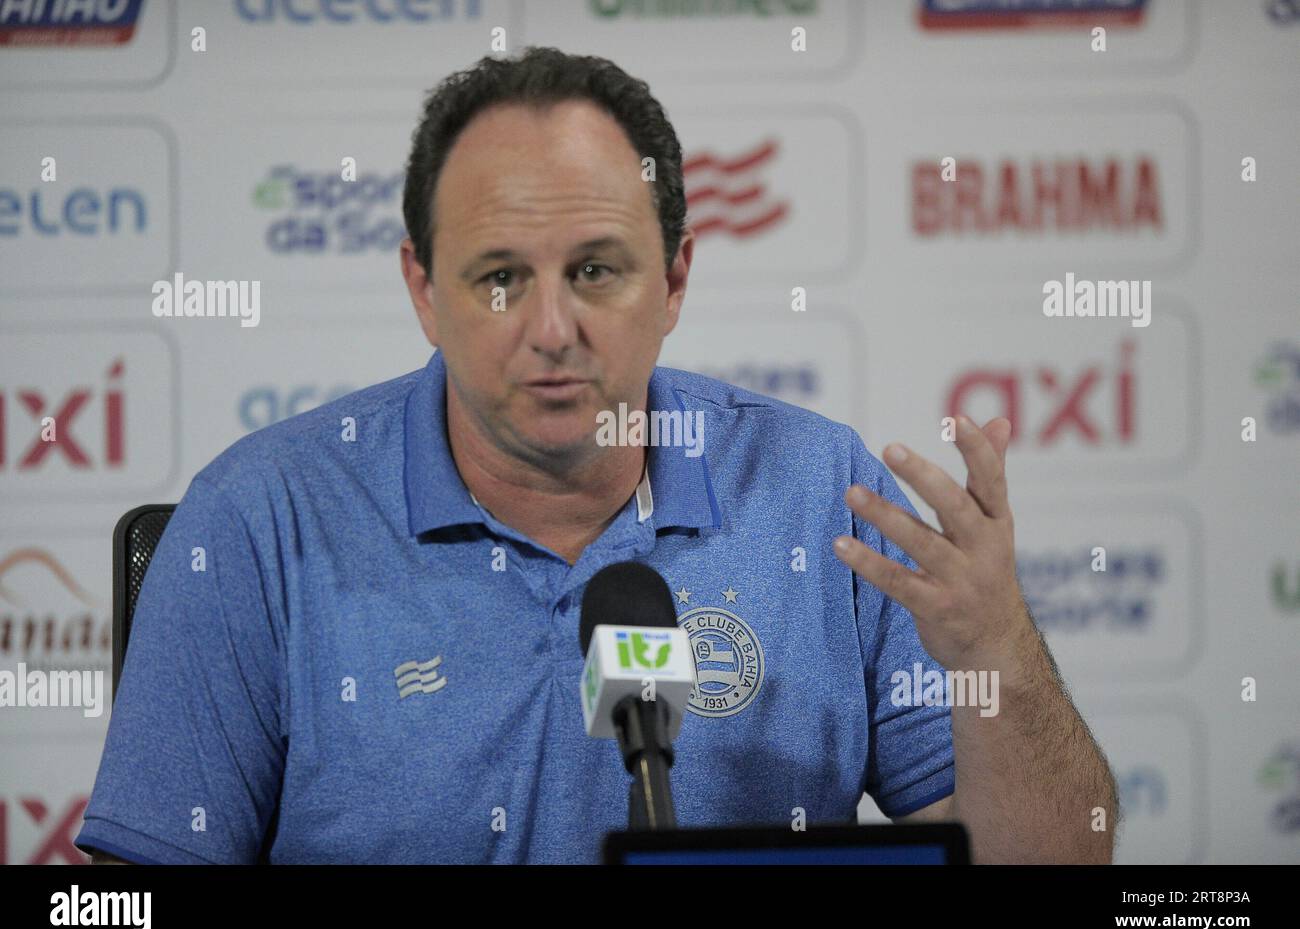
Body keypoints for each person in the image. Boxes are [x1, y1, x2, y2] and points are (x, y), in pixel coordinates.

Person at [77, 46, 1117, 865]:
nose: (552, 328)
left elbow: (1061, 866)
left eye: (595, 269)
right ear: (421, 291)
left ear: (673, 281)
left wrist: (998, 660)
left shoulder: (818, 498)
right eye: (497, 276)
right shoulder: (260, 521)